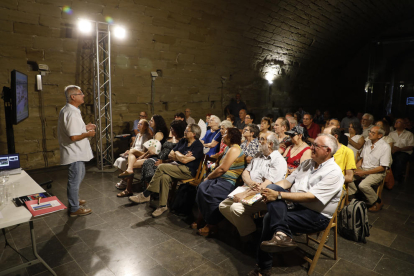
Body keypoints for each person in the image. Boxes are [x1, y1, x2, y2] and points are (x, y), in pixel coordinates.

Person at [248, 134, 344, 276]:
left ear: (327, 150)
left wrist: (278, 195)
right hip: (297, 205)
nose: (311, 147)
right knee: (273, 190)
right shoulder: (307, 163)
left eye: (316, 146)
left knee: (269, 218)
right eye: (313, 144)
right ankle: (282, 234)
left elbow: (311, 197)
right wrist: (266, 190)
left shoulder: (334, 172)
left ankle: (264, 266)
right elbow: (286, 183)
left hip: (316, 216)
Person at [219, 132, 287, 238]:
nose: (259, 141)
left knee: (236, 208)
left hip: (264, 194)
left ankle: (250, 236)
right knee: (223, 205)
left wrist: (245, 194)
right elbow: (245, 173)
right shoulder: (258, 155)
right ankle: (250, 229)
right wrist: (250, 183)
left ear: (270, 144)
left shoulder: (278, 161)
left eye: (262, 139)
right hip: (250, 188)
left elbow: (267, 185)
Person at [128, 124, 204, 217]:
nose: (185, 132)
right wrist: (179, 154)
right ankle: (163, 206)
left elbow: (185, 160)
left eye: (187, 131)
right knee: (164, 177)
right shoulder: (183, 141)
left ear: (194, 134)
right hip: (177, 167)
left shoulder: (198, 146)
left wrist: (179, 156)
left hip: (188, 171)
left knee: (161, 167)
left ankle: (146, 194)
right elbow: (170, 154)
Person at [194, 128, 247, 236]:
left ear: (231, 136)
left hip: (229, 181)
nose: (222, 136)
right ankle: (205, 219)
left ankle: (211, 225)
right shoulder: (229, 148)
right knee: (201, 187)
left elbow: (223, 169)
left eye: (225, 134)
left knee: (210, 193)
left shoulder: (235, 149)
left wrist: (208, 177)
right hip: (220, 179)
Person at [58, 85, 95, 217]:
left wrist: (85, 127)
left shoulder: (71, 110)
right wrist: (88, 134)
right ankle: (74, 208)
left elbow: (74, 129)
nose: (83, 95)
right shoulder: (71, 112)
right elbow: (73, 136)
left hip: (76, 152)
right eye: (81, 93)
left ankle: (75, 199)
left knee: (79, 176)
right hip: (74, 152)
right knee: (74, 179)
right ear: (73, 97)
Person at [348, 126, 391, 212]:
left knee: (363, 185)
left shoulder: (385, 147)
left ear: (380, 135)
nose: (369, 134)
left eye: (373, 133)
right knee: (347, 177)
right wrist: (354, 168)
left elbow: (382, 167)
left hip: (377, 172)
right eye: (370, 132)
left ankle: (378, 202)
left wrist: (364, 172)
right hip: (364, 168)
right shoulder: (367, 143)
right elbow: (362, 159)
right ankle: (354, 196)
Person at [118, 114, 169, 179]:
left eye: (151, 121)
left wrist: (143, 156)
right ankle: (128, 186)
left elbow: (153, 149)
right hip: (150, 155)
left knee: (131, 157)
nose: (150, 122)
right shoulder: (153, 133)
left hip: (155, 157)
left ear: (156, 122)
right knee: (130, 155)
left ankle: (129, 175)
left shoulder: (158, 134)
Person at [140, 120, 187, 187]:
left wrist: (164, 161)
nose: (170, 130)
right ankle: (148, 191)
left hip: (168, 162)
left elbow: (175, 158)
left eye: (172, 129)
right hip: (159, 157)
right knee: (147, 162)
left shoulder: (182, 141)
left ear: (177, 130)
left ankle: (151, 192)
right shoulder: (170, 138)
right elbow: (161, 148)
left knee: (151, 168)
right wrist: (149, 155)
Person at [114, 119, 151, 191]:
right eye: (138, 124)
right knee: (119, 160)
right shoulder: (137, 135)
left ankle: (125, 180)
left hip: (140, 153)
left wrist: (133, 151)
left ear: (145, 126)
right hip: (132, 153)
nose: (138, 125)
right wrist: (129, 151)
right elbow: (133, 147)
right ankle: (125, 180)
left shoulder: (147, 136)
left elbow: (145, 151)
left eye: (141, 124)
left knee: (131, 152)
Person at [389, 118, 414, 182]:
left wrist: (400, 149)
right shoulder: (391, 134)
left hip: (404, 152)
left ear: (404, 125)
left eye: (399, 122)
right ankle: (387, 177)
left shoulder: (409, 134)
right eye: (396, 122)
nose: (396, 123)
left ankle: (396, 179)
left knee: (399, 158)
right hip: (392, 151)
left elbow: (411, 146)